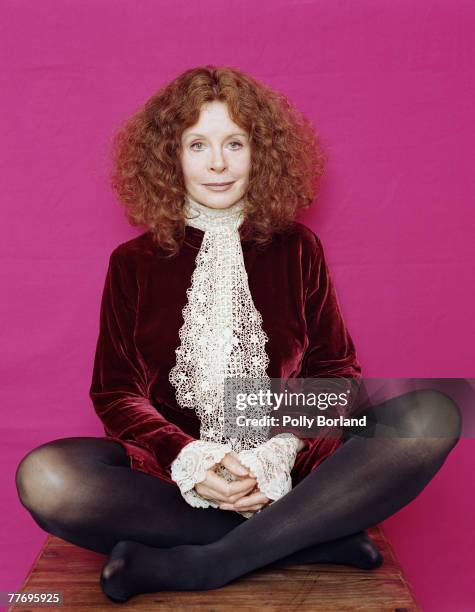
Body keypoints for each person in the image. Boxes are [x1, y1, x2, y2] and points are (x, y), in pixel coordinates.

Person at [15, 65, 462, 603]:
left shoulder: (298, 247)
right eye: (198, 145)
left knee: (435, 411)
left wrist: (272, 456)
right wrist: (193, 462)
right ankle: (308, 539)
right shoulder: (131, 262)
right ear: (170, 157)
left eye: (235, 143)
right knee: (47, 476)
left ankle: (211, 563)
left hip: (294, 471)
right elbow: (115, 393)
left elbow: (337, 373)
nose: (219, 164)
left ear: (261, 153)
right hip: (176, 479)